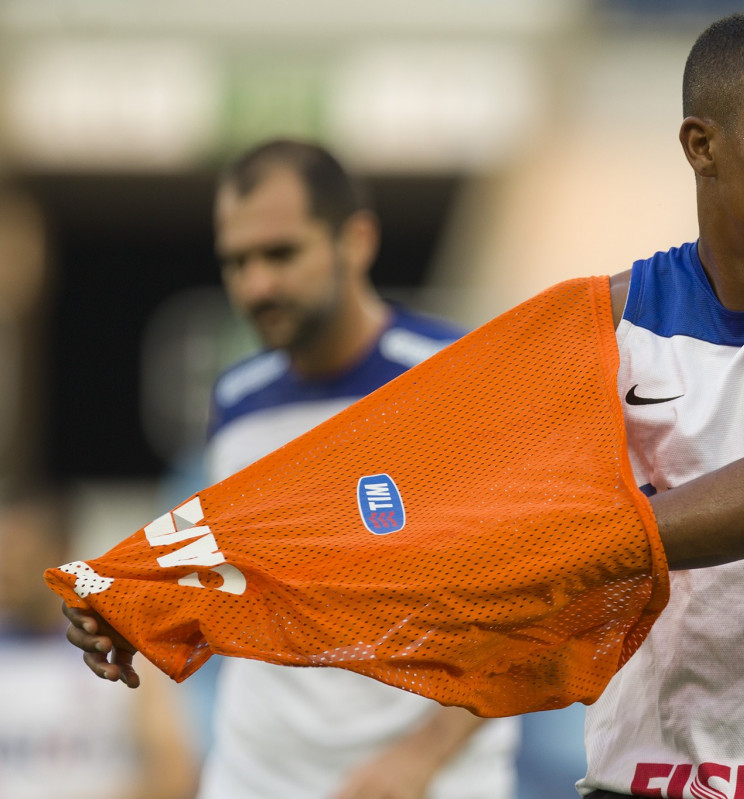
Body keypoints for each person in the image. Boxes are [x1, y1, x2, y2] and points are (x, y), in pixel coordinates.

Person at [63, 11, 744, 798]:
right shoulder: (593, 322)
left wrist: (547, 551)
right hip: (629, 782)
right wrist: (148, 583)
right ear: (703, 145)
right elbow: (368, 511)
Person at [75, 139, 520, 798]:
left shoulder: (455, 376)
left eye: (281, 253)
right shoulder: (235, 401)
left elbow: (533, 605)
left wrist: (420, 759)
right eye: (237, 261)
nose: (257, 284)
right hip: (258, 777)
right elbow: (237, 587)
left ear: (356, 240)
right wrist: (130, 613)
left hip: (425, 783)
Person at [0, 489, 198, 799]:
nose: (4, 563)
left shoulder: (123, 649)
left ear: (58, 551)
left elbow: (174, 776)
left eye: (14, 548)